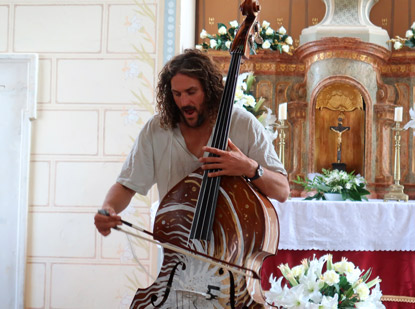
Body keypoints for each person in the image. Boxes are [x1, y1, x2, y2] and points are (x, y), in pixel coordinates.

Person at [94, 49, 290, 236]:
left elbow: (282, 190)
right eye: (177, 94)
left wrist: (249, 167)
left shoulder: (243, 123)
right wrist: (108, 209)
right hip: (177, 255)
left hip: (233, 253)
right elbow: (127, 185)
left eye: (191, 92)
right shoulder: (157, 128)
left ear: (209, 90)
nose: (183, 102)